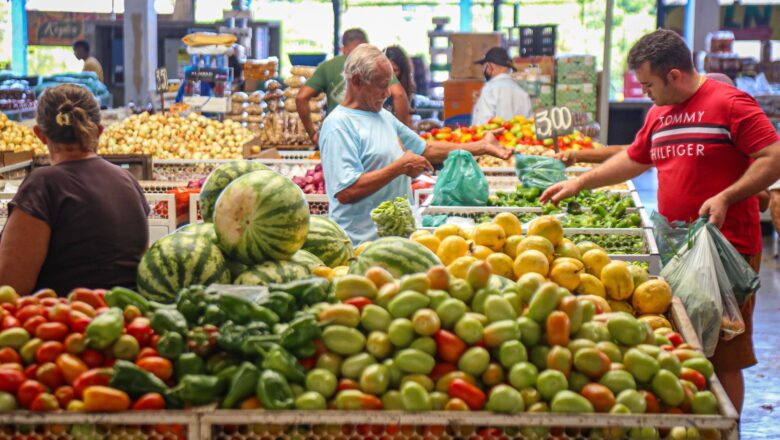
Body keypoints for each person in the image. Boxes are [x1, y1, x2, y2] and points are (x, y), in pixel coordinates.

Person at [540, 29, 780, 413]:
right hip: (676, 247)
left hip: (726, 249)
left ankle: (728, 429)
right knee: (684, 341)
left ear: (674, 76)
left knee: (726, 354)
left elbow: (773, 155)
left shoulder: (730, 104)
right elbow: (635, 158)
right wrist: (580, 183)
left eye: (648, 83)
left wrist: (726, 196)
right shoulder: (658, 113)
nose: (645, 91)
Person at [319, 44, 512, 244]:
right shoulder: (339, 126)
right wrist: (400, 167)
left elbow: (426, 149)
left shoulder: (383, 116)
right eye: (381, 85)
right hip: (361, 245)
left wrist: (481, 146)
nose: (388, 93)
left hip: (397, 240)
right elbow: (346, 191)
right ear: (357, 81)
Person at [0, 84, 149, 296]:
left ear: (40, 134)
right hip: (127, 321)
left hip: (68, 324)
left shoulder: (42, 185)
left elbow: (10, 288)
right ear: (99, 131)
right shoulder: (128, 181)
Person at [297, 29, 411, 145]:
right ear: (366, 45)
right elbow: (399, 94)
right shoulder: (374, 65)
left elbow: (301, 97)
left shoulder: (327, 67)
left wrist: (313, 134)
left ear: (344, 47)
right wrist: (405, 137)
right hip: (371, 136)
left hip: (337, 136)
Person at [471, 47, 532, 126]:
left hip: (494, 138)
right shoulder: (522, 91)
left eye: (484, 66)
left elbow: (482, 125)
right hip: (516, 138)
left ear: (489, 66)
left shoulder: (489, 89)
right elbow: (528, 123)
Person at [383, 46, 416, 124]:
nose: (389, 76)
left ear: (403, 72)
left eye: (394, 70)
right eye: (385, 69)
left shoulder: (403, 93)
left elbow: (406, 126)